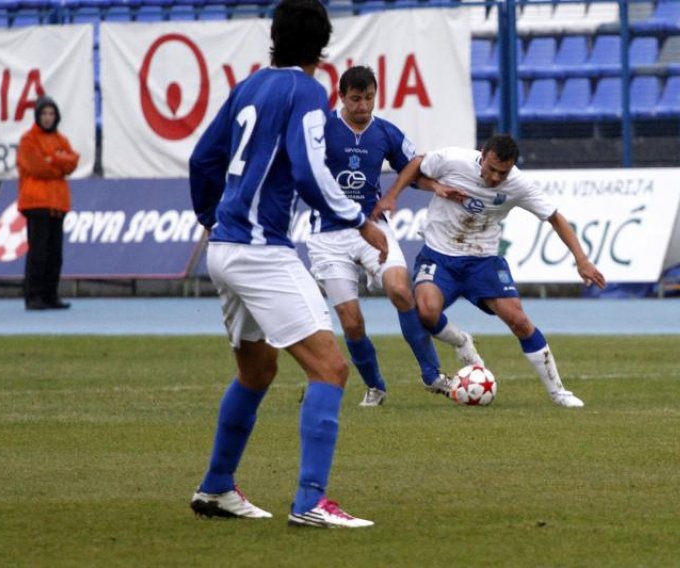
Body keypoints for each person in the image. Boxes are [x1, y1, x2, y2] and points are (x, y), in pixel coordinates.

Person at [188, 0, 389, 528]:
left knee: (257, 371)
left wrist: (211, 214)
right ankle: (311, 501)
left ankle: (215, 488)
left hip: (226, 248)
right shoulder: (307, 92)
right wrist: (357, 218)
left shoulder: (250, 85)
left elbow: (202, 158)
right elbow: (307, 170)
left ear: (274, 36)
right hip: (260, 251)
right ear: (322, 45)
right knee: (330, 366)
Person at [372, 134, 607, 407]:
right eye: (491, 169)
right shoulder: (454, 159)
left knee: (519, 321)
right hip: (439, 256)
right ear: (482, 155)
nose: (495, 178)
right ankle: (462, 342)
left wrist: (582, 260)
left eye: (502, 173)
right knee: (425, 311)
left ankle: (559, 392)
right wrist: (397, 195)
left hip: (482, 261)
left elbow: (555, 217)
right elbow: (415, 164)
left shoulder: (519, 184)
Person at [307, 65, 483, 407]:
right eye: (355, 99)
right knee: (352, 323)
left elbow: (413, 167)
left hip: (374, 227)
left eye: (369, 98)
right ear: (341, 97)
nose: (362, 106)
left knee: (402, 291)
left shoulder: (385, 132)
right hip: (328, 235)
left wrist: (436, 187)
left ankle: (432, 376)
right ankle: (375, 386)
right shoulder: (322, 130)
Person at [16, 96, 78, 311]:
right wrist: (58, 161)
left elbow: (73, 161)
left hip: (58, 203)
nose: (48, 118)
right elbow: (37, 167)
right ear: (38, 116)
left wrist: (53, 159)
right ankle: (33, 296)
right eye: (44, 114)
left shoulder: (61, 139)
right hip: (36, 202)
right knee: (38, 253)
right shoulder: (28, 139)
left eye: (51, 114)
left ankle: (50, 295)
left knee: (55, 254)